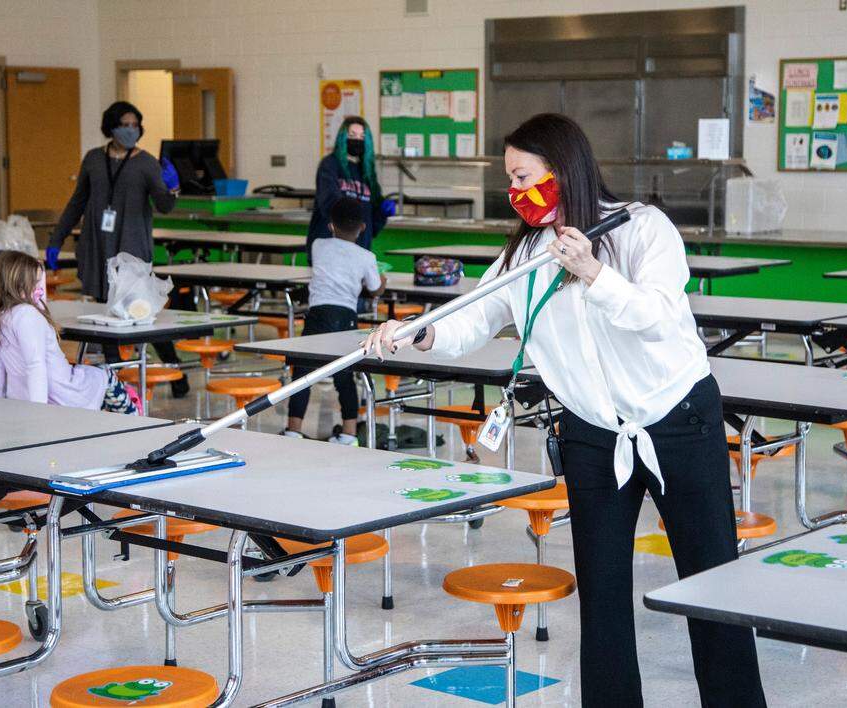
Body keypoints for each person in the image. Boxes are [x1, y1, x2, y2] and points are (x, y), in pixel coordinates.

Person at [363, 113, 766, 708]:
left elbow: (657, 316)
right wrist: (416, 333)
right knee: (601, 594)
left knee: (710, 584)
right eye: (509, 180)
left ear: (563, 168)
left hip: (680, 420)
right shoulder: (525, 253)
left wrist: (594, 273)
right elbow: (474, 316)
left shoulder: (642, 228)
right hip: (593, 434)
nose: (515, 192)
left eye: (523, 175)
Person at [46, 100, 189, 397]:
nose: (130, 130)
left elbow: (164, 205)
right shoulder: (94, 160)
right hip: (98, 247)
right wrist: (56, 240)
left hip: (132, 249)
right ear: (111, 127)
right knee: (104, 315)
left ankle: (176, 372)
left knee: (141, 314)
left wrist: (172, 187)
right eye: (125, 124)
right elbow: (77, 201)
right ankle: (117, 380)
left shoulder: (147, 163)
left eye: (135, 125)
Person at [0, 251, 140, 415]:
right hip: (62, 395)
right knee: (105, 374)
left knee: (94, 373)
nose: (39, 290)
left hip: (22, 398)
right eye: (34, 283)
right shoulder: (27, 314)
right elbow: (35, 365)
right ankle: (137, 423)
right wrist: (39, 413)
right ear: (18, 285)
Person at [285, 197, 386, 445]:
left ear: (331, 225)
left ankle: (293, 428)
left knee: (302, 373)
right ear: (363, 227)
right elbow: (374, 289)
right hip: (345, 317)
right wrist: (383, 281)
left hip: (317, 314)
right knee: (345, 375)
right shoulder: (366, 257)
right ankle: (349, 433)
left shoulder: (319, 245)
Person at [307, 116, 394, 260]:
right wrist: (355, 209)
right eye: (352, 135)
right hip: (330, 251)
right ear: (343, 138)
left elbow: (371, 226)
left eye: (362, 136)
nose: (357, 140)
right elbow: (329, 203)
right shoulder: (330, 165)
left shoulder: (367, 173)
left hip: (358, 253)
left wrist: (382, 212)